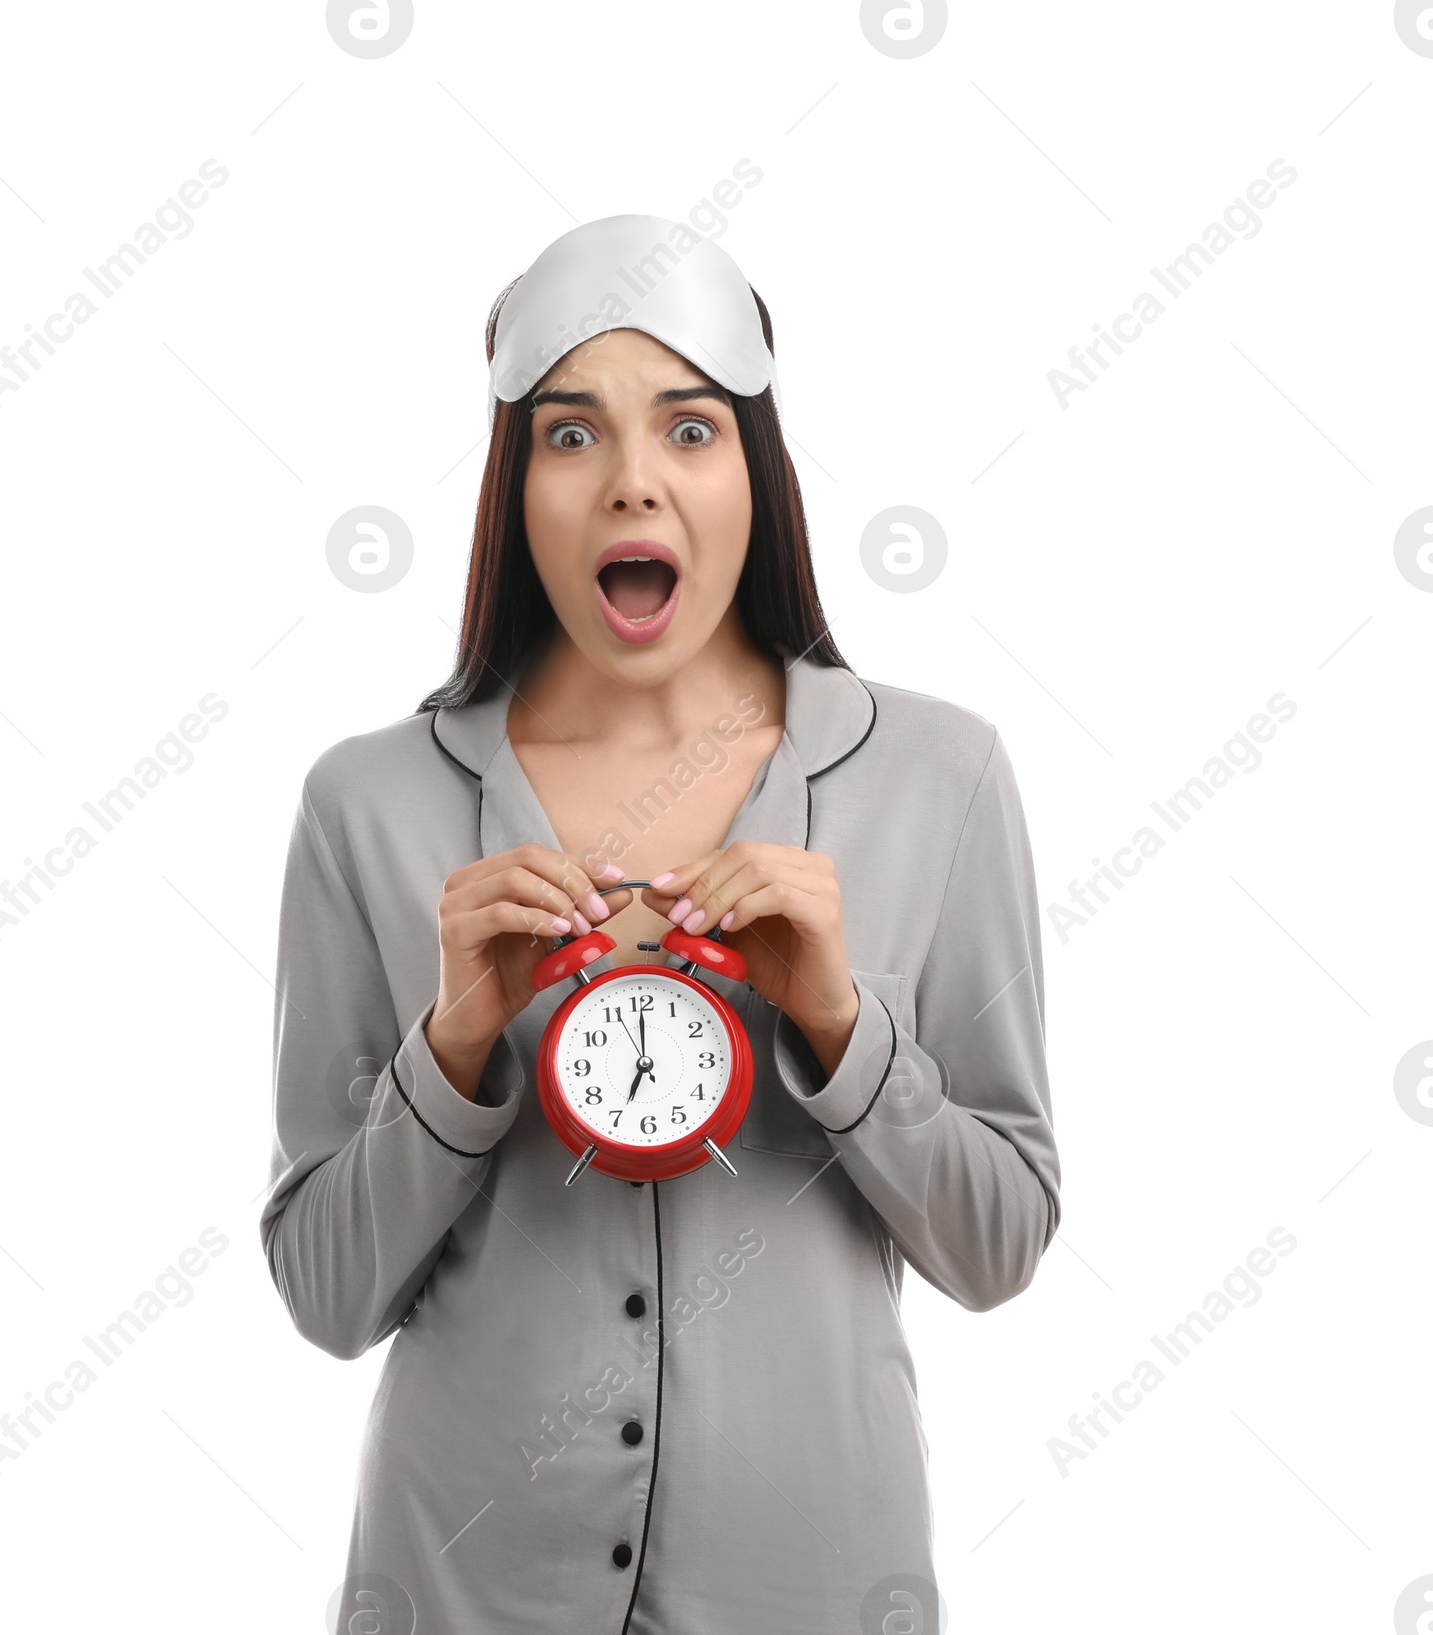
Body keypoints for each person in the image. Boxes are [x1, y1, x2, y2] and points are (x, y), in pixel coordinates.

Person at [260, 215, 1061, 1635]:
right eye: (572, 438)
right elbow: (326, 1294)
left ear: (758, 469)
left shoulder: (943, 780)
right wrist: (452, 1050)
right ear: (514, 488)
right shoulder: (365, 804)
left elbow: (1000, 1248)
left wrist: (841, 1028)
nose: (634, 483)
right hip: (458, 1593)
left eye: (689, 431)